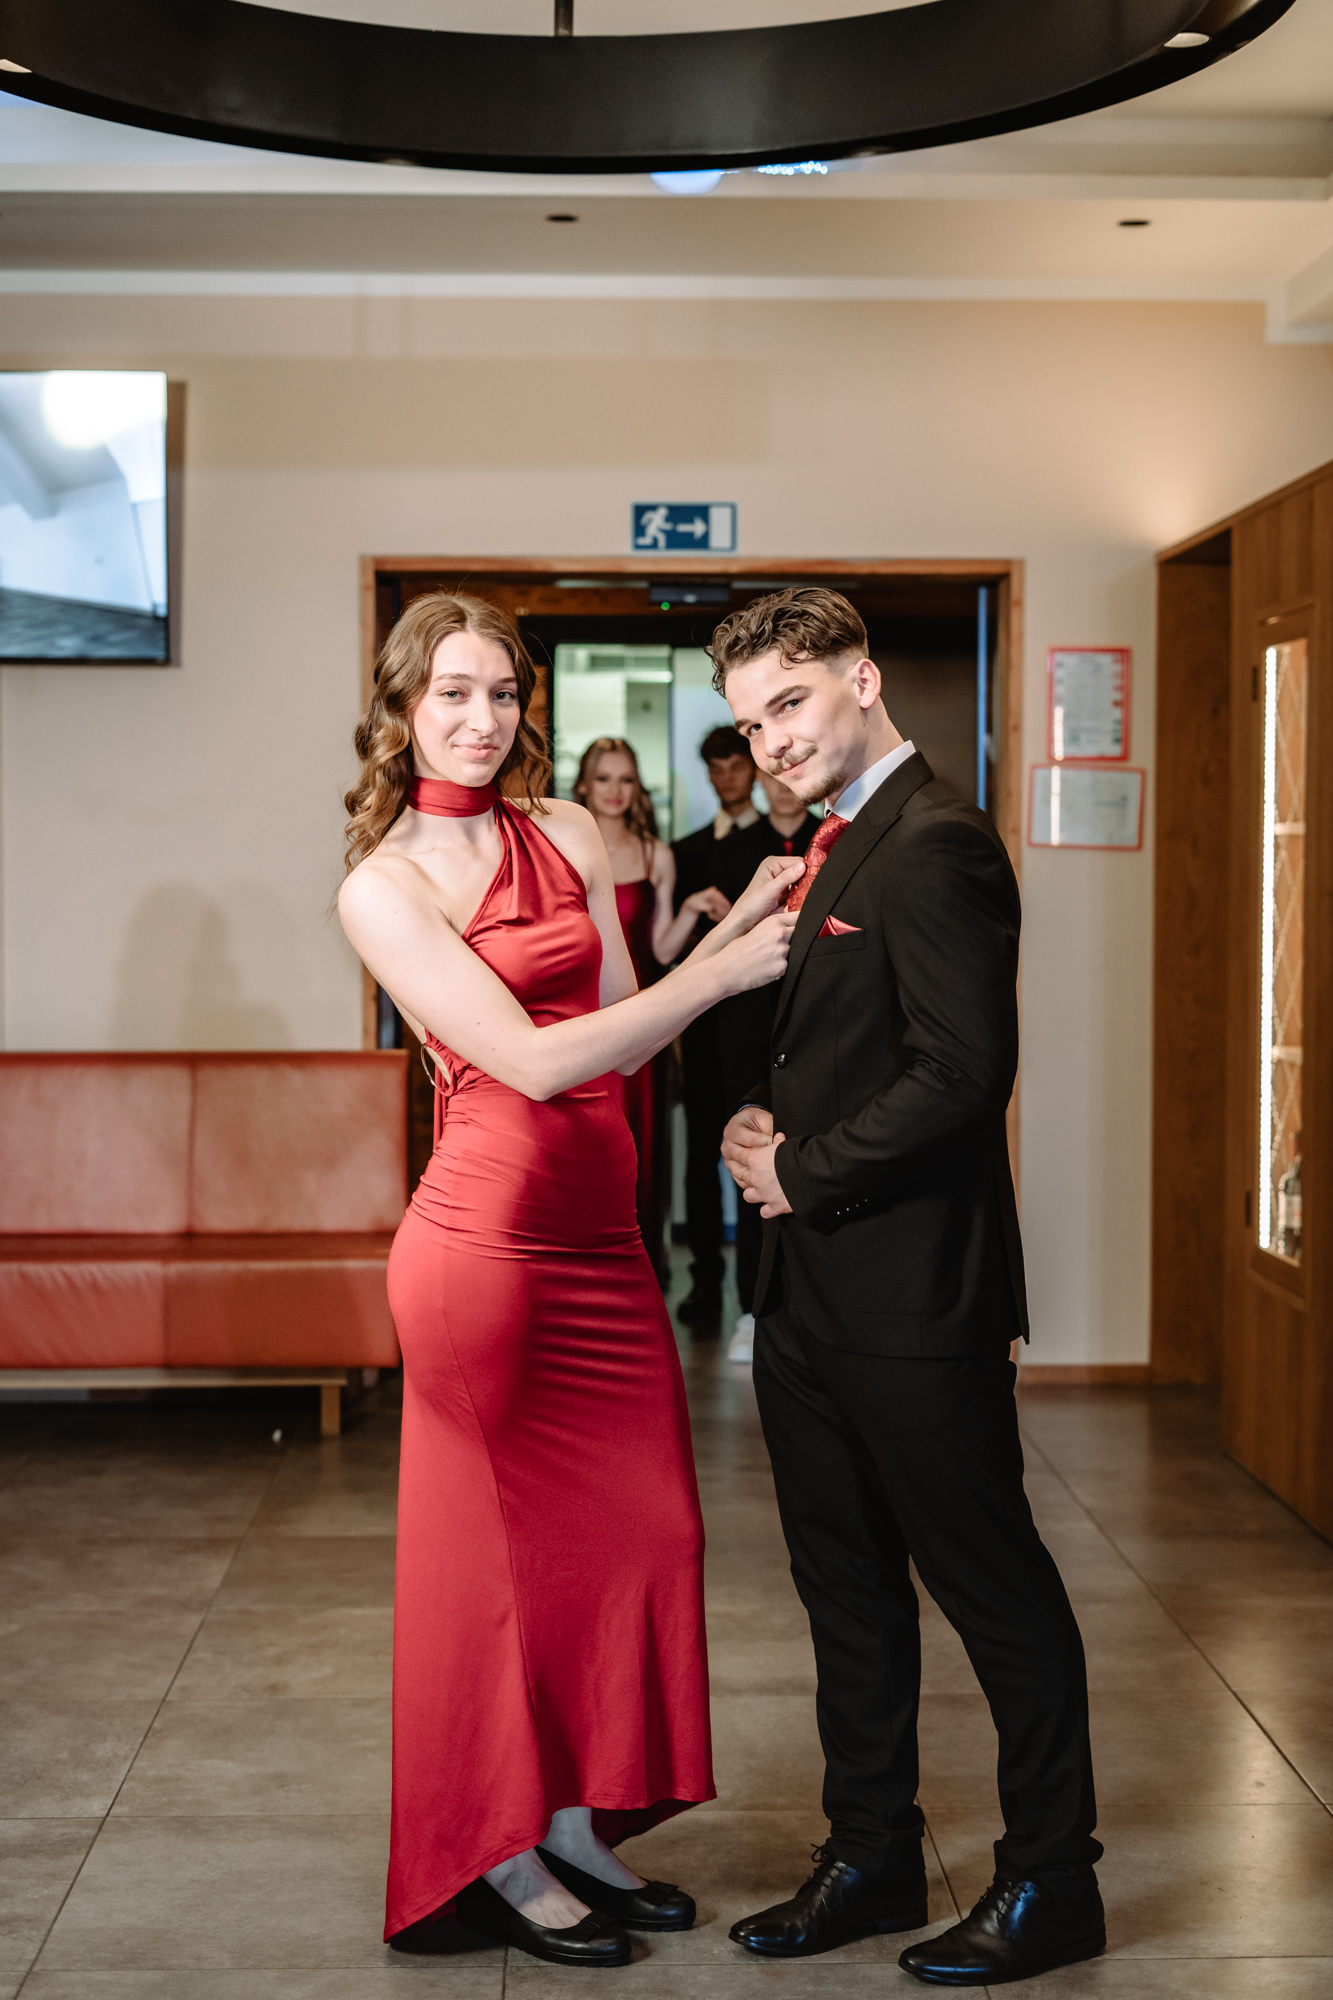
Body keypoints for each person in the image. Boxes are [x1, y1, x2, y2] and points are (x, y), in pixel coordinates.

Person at [338, 591, 801, 1969]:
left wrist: (734, 924)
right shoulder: (383, 884)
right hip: (484, 1254)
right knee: (491, 1576)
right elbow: (537, 1060)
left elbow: (619, 1024)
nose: (481, 720)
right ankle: (491, 1853)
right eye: (451, 694)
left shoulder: (570, 831)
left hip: (603, 1241)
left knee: (642, 1537)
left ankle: (572, 1821)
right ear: (403, 708)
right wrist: (724, 979)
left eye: (501, 693)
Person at [716, 587, 1104, 1986]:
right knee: (845, 1588)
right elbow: (846, 1045)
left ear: (863, 679)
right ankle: (871, 1853)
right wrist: (768, 1130)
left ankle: (1053, 1877)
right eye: (750, 722)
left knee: (991, 1585)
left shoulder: (936, 839)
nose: (771, 739)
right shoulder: (828, 841)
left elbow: (962, 1071)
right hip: (807, 1292)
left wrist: (801, 1167)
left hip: (914, 1296)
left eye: (791, 702)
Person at [705, 768, 820, 1365]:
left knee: (806, 1161)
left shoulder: (830, 840)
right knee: (748, 1167)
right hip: (746, 1027)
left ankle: (810, 1307)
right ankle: (752, 1308)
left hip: (811, 1026)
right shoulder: (734, 852)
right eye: (767, 776)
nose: (780, 784)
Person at [669, 725, 762, 1322]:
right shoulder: (686, 851)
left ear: (752, 769)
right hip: (701, 1025)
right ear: (707, 773)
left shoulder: (781, 842)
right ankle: (705, 1284)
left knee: (753, 1150)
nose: (728, 778)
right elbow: (672, 949)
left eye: (737, 766)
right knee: (700, 1157)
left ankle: (756, 1294)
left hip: (757, 1026)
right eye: (717, 768)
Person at [572, 736, 673, 1282]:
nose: (615, 790)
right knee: (583, 1154)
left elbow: (661, 949)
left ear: (638, 788)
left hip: (639, 1024)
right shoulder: (559, 851)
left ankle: (640, 1277)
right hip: (578, 1028)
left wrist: (699, 912)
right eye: (604, 778)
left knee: (639, 1147)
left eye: (626, 779)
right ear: (584, 785)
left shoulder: (658, 855)